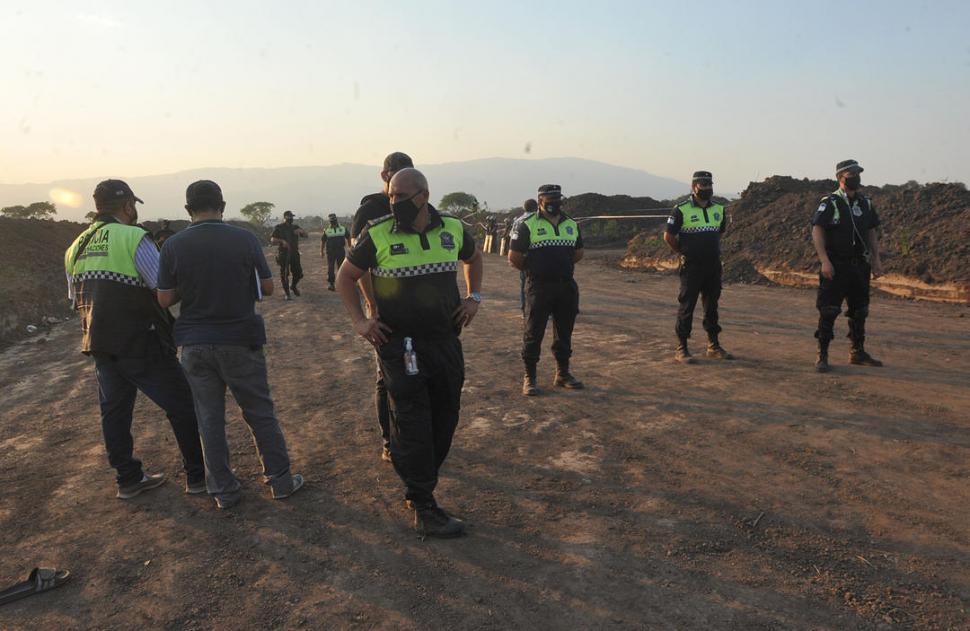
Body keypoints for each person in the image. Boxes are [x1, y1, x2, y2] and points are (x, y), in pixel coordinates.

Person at [336, 168, 483, 538]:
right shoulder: (378, 232)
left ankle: (421, 483)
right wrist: (360, 321)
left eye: (401, 196)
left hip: (445, 344)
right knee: (413, 421)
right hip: (400, 348)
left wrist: (473, 297)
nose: (393, 203)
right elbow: (345, 277)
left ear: (424, 195)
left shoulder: (452, 228)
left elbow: (474, 257)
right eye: (390, 196)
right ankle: (422, 502)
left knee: (446, 416)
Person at [157, 180, 305, 509]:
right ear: (222, 205)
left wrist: (189, 287)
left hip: (194, 345)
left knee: (209, 419)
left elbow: (165, 298)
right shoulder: (244, 239)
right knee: (259, 412)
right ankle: (280, 482)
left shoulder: (173, 246)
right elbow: (267, 287)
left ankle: (224, 491)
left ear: (187, 210)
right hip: (240, 339)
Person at [63, 179, 205, 499]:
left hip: (99, 343)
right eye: (134, 205)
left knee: (115, 411)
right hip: (140, 341)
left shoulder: (76, 246)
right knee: (182, 404)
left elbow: (76, 301)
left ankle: (128, 479)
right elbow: (162, 291)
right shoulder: (133, 237)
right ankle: (197, 477)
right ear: (128, 205)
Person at [351, 151, 415, 462]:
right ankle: (390, 440)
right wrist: (371, 305)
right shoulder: (370, 210)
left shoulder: (416, 204)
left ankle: (414, 433)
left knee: (416, 371)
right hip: (383, 308)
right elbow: (357, 266)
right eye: (396, 173)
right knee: (387, 376)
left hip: (415, 308)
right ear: (384, 176)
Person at [509, 185, 584, 396]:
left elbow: (578, 253)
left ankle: (563, 373)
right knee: (534, 332)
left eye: (558, 199)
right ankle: (530, 377)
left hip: (566, 286)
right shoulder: (527, 225)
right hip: (539, 287)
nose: (555, 203)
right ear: (540, 200)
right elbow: (514, 257)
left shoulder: (571, 224)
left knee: (564, 331)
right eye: (550, 199)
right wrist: (535, 270)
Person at [810, 159, 884, 372]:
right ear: (841, 177)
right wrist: (824, 260)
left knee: (860, 310)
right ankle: (822, 355)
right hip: (836, 266)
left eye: (858, 172)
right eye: (851, 173)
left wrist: (876, 260)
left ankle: (857, 352)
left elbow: (871, 231)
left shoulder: (865, 203)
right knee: (829, 310)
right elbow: (817, 229)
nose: (856, 176)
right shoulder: (831, 202)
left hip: (860, 266)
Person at [664, 171, 733, 364]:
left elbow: (719, 233)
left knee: (712, 307)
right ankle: (682, 348)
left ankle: (713, 345)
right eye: (703, 186)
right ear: (694, 187)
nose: (707, 190)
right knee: (687, 306)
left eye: (710, 186)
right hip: (692, 266)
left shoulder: (719, 209)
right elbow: (668, 237)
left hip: (712, 265)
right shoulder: (681, 209)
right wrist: (683, 251)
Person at [270, 211, 307, 299]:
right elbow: (272, 239)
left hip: (294, 253)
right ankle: (287, 294)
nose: (291, 218)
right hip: (284, 254)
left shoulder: (295, 227)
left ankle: (293, 286)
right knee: (285, 274)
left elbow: (306, 235)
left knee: (299, 274)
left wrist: (301, 231)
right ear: (285, 217)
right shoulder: (279, 227)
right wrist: (282, 241)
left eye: (292, 217)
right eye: (289, 217)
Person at [511, 199, 538, 314]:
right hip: (536, 255)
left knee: (524, 283)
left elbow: (512, 238)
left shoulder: (517, 220)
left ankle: (524, 308)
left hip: (521, 255)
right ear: (536, 207)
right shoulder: (537, 219)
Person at [321, 212, 351, 291]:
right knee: (331, 268)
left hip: (340, 251)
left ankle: (342, 284)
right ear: (329, 221)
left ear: (336, 220)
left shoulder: (342, 228)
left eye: (334, 220)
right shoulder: (327, 230)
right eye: (331, 221)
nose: (333, 222)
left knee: (341, 267)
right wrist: (321, 251)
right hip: (330, 252)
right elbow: (323, 241)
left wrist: (350, 247)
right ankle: (331, 284)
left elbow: (348, 237)